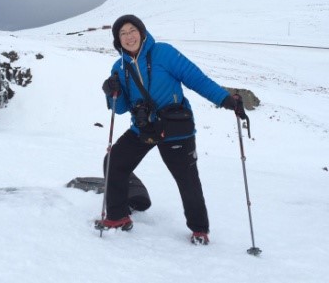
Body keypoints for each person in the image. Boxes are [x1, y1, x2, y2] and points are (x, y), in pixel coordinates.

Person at [95, 14, 246, 245]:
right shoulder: (120, 67)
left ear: (142, 32)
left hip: (175, 127)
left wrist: (226, 100)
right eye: (122, 34)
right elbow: (122, 107)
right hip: (143, 129)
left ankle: (199, 229)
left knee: (187, 179)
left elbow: (197, 79)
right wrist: (111, 91)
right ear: (118, 40)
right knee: (114, 161)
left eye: (132, 30)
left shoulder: (164, 53)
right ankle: (117, 217)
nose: (128, 36)